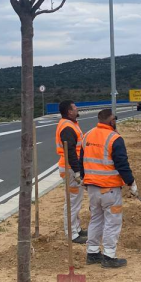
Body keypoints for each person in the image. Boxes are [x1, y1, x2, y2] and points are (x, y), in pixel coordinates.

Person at [81, 109, 138, 269]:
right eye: (115, 119)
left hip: (92, 187)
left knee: (96, 219)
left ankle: (92, 253)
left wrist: (85, 180)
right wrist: (131, 183)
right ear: (111, 120)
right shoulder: (115, 138)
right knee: (112, 222)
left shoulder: (88, 135)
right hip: (109, 188)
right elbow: (122, 164)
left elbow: (82, 160)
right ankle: (109, 256)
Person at [56, 100, 87, 244]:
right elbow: (71, 151)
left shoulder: (71, 123)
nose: (77, 108)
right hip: (70, 168)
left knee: (76, 201)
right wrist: (77, 171)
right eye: (75, 107)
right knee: (72, 202)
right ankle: (71, 233)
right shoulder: (67, 127)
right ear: (69, 112)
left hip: (70, 168)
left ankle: (76, 228)